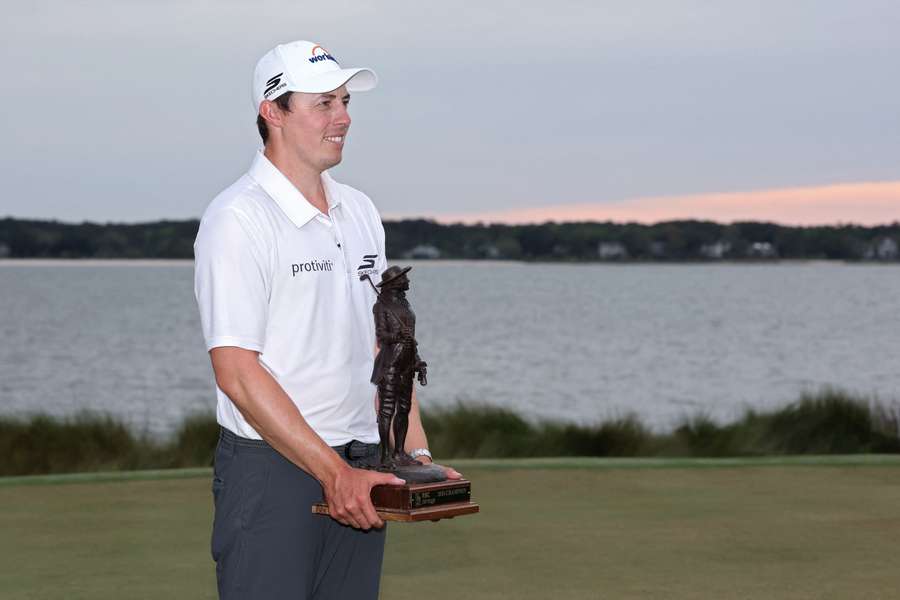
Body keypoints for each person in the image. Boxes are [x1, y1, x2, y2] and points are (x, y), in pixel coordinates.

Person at [193, 40, 459, 600]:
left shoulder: (360, 211)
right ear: (273, 113)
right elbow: (237, 372)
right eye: (323, 103)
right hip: (273, 469)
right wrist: (331, 473)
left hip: (364, 460)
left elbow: (387, 347)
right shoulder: (238, 219)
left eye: (344, 101)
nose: (343, 117)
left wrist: (413, 457)